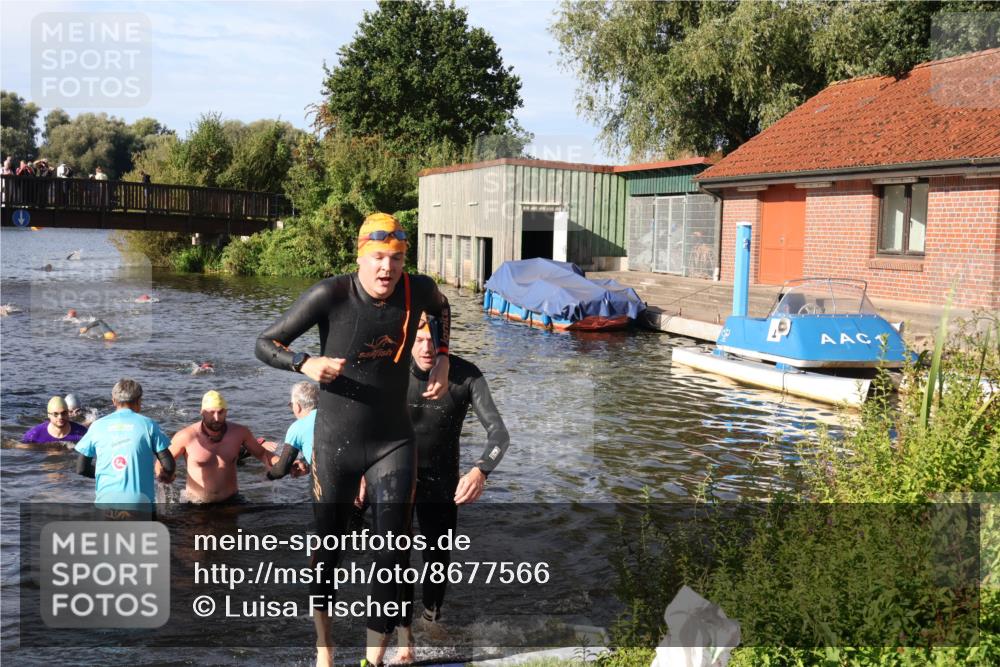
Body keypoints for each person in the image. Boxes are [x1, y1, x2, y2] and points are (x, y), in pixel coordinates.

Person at [255, 212, 451, 667]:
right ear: (361, 256)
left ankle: (372, 661)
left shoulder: (416, 289)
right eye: (379, 258)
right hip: (336, 444)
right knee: (328, 551)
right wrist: (303, 362)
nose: (388, 268)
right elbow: (265, 342)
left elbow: (441, 308)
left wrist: (440, 356)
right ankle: (325, 654)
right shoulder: (332, 294)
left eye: (397, 259)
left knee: (391, 550)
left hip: (393, 441)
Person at [393, 318, 511, 661]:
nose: (426, 348)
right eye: (418, 340)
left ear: (444, 342)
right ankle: (404, 638)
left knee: (437, 558)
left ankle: (431, 618)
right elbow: (362, 423)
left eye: (432, 340)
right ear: (406, 341)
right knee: (395, 557)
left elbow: (499, 434)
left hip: (441, 482)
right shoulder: (393, 372)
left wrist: (480, 471)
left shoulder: (465, 375)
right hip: (396, 477)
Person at [74, 378, 175, 509]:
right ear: (139, 401)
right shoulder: (148, 425)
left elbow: (81, 468)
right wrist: (166, 475)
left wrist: (109, 473)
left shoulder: (97, 426)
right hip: (140, 503)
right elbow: (168, 464)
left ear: (114, 401)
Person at [163, 390, 272, 503]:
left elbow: (262, 453)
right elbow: (162, 462)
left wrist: (282, 464)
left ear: (226, 412)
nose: (216, 418)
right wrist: (165, 473)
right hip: (196, 504)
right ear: (202, 412)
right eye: (211, 412)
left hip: (231, 501)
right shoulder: (186, 436)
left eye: (221, 412)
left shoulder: (240, 432)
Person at [266, 381, 318, 480]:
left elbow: (281, 470)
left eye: (291, 405)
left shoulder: (297, 427)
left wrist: (266, 477)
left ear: (297, 406)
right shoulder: (331, 417)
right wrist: (306, 464)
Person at [21, 396, 88, 444]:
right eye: (55, 414)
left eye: (63, 413)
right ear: (49, 415)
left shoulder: (82, 433)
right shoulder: (34, 434)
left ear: (68, 413)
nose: (60, 417)